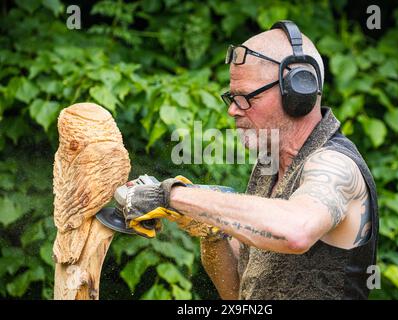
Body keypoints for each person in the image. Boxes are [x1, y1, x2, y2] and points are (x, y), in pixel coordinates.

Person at [119, 21, 379, 300]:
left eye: (245, 97)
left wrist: (173, 196)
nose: (232, 110)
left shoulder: (335, 164)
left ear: (298, 93)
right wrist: (212, 230)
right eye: (231, 97)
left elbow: (296, 231)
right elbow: (237, 294)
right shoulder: (268, 167)